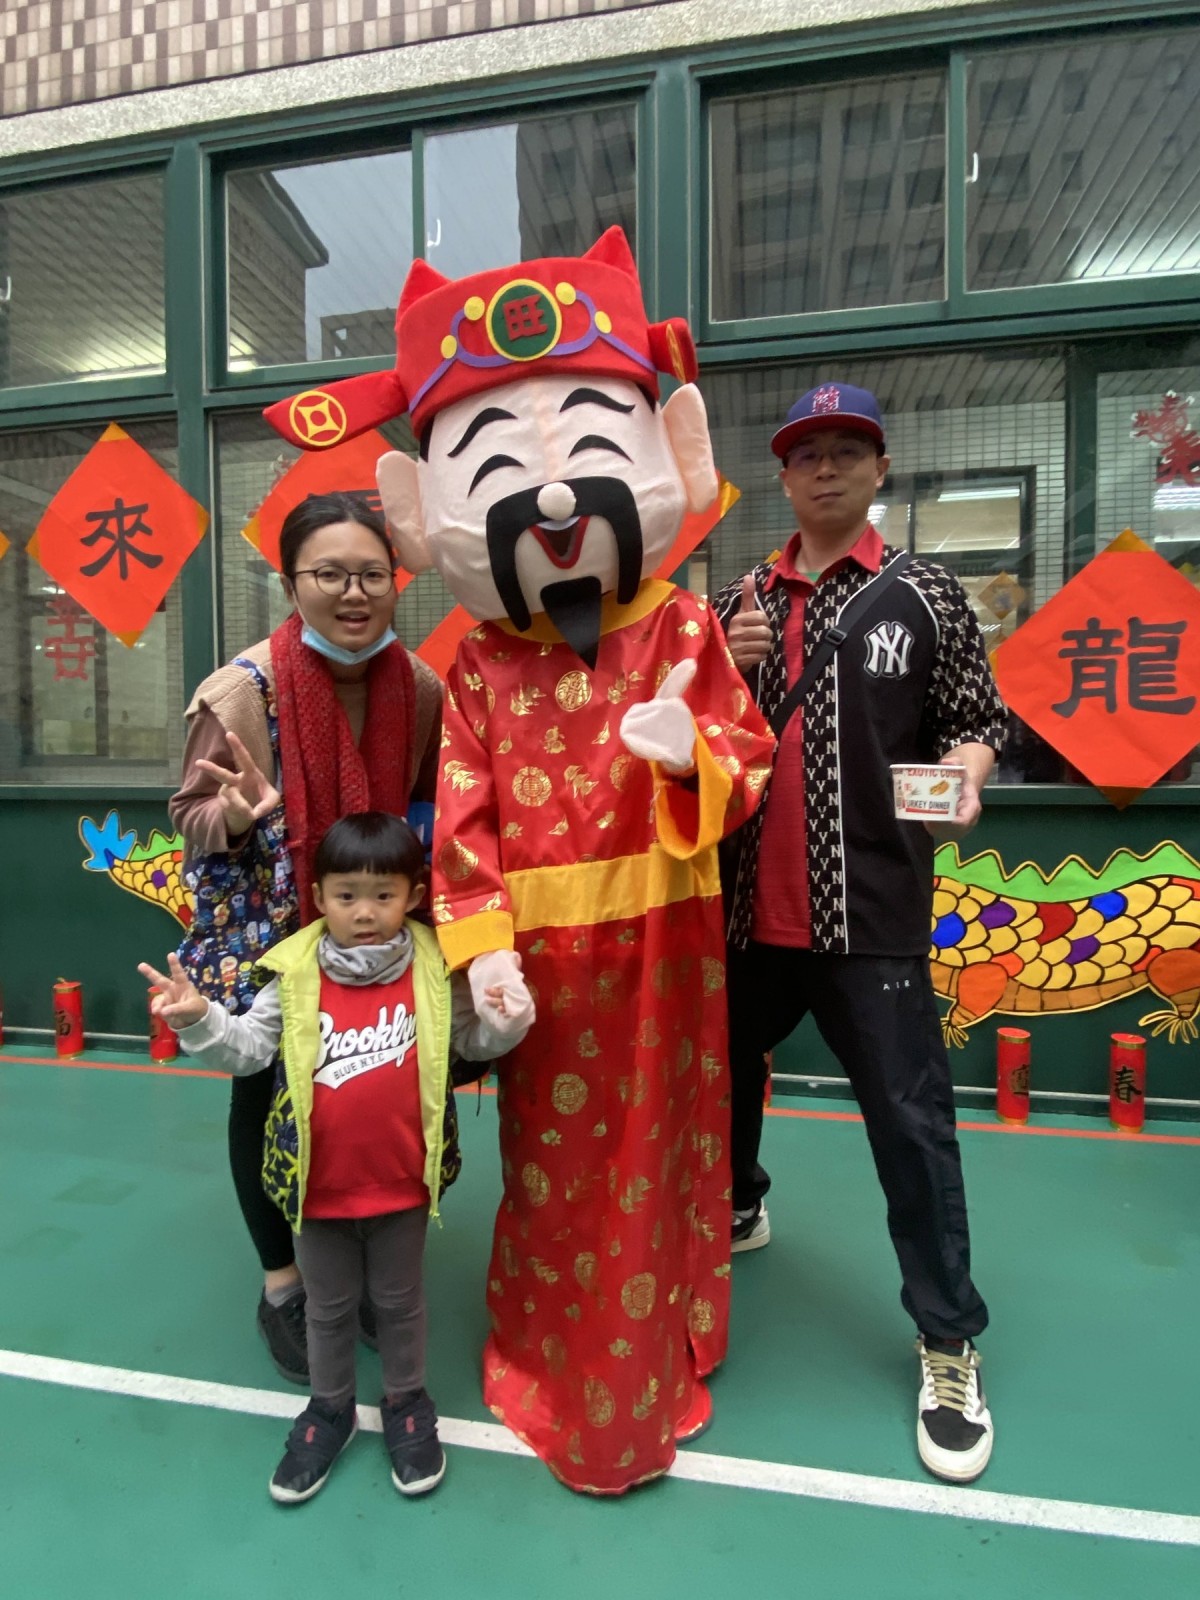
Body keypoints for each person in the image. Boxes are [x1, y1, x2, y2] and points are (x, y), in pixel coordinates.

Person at [266, 226, 775, 1492]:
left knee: (667, 1147)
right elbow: (463, 828)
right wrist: (484, 956)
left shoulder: (685, 628)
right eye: (500, 467)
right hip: (543, 972)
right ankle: (554, 1347)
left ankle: (664, 1336)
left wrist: (691, 761)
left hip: (668, 956)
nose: (552, 501)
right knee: (551, 1169)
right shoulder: (482, 663)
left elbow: (749, 762)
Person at [713, 382, 1008, 1485]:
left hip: (871, 918)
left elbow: (976, 718)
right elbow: (686, 739)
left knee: (911, 1128)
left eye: (847, 450)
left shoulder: (926, 593)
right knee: (716, 1082)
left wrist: (968, 774)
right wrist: (724, 666)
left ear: (880, 468)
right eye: (807, 454)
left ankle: (948, 1337)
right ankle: (739, 1205)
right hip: (743, 915)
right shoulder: (736, 601)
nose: (826, 468)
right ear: (783, 477)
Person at [139, 812, 531, 1504]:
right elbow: (248, 1049)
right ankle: (330, 1410)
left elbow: (472, 1041)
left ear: (413, 896)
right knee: (327, 1309)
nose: (365, 912)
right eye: (347, 895)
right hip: (316, 1191)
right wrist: (200, 1017)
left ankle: (407, 1403)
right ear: (319, 897)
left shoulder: (435, 969)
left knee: (401, 1305)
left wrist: (504, 1019)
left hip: (403, 1187)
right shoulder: (291, 973)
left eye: (383, 895)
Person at [168, 492, 443, 1388]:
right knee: (263, 1098)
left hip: (372, 926)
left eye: (372, 574)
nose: (353, 593)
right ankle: (283, 1283)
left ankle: (352, 1265)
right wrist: (237, 816)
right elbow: (188, 814)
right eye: (330, 574)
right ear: (291, 583)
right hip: (269, 930)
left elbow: (431, 796)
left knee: (365, 1092)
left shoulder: (421, 688)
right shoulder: (240, 692)